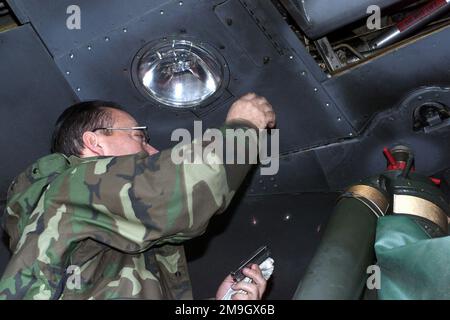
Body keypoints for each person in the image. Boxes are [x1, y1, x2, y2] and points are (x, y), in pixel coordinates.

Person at [0, 93, 276, 300]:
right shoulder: (70, 187)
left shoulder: (114, 234)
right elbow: (181, 187)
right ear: (94, 142)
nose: (152, 150)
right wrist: (243, 126)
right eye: (139, 137)